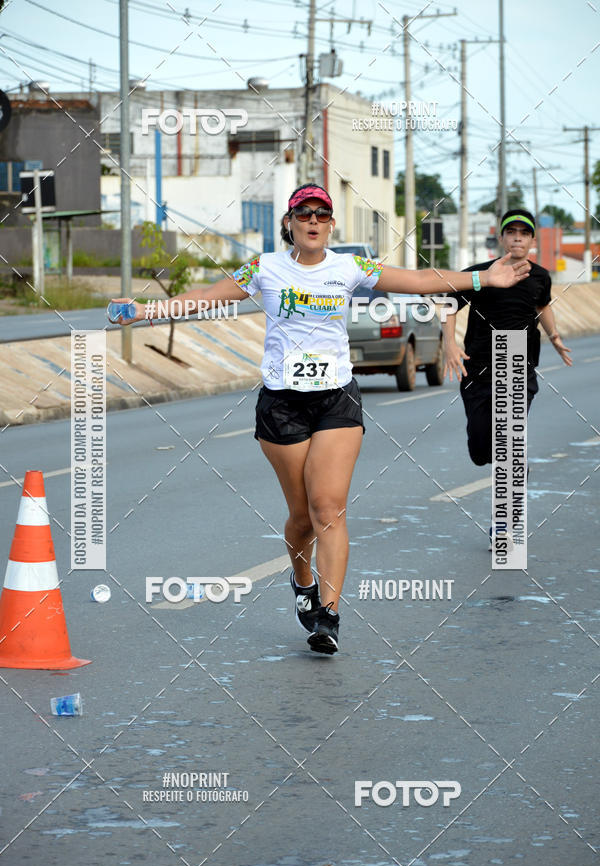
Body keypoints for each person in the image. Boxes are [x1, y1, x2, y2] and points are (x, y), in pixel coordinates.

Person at [108, 184, 531, 653]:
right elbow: (208, 296)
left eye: (322, 214)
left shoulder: (349, 268)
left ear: (331, 226)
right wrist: (145, 310)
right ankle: (302, 580)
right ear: (288, 223)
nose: (313, 221)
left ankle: (327, 615)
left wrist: (483, 280)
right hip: (282, 405)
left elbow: (417, 280)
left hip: (336, 402)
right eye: (303, 213)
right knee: (302, 518)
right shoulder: (264, 268)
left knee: (328, 507)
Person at [441, 209, 572, 545]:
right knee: (482, 446)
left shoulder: (541, 277)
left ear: (531, 240)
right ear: (501, 238)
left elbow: (542, 306)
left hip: (519, 365)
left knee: (510, 444)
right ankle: (494, 454)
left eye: (523, 233)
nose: (517, 237)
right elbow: (448, 305)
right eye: (510, 232)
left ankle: (505, 523)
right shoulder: (480, 275)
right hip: (479, 369)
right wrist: (450, 348)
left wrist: (555, 337)